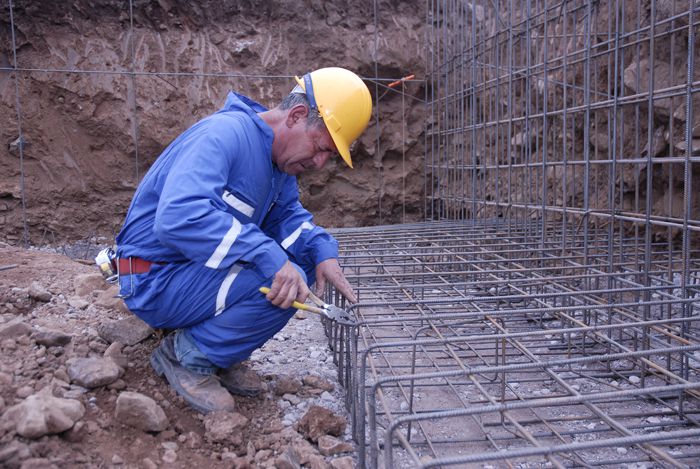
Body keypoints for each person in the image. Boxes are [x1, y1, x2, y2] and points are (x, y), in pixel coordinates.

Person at [114, 67, 372, 413]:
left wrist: (324, 252)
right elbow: (178, 216)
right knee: (276, 271)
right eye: (321, 146)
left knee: (304, 262)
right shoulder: (225, 135)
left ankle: (218, 350)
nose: (321, 162)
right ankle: (185, 355)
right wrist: (269, 255)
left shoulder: (277, 167)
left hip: (187, 274)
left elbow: (289, 219)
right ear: (296, 116)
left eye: (331, 155)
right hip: (154, 279)